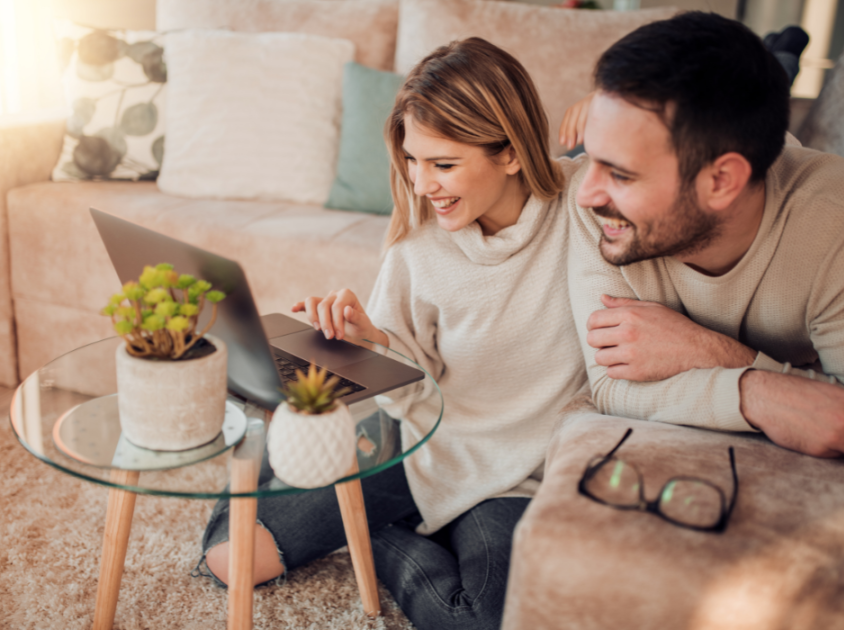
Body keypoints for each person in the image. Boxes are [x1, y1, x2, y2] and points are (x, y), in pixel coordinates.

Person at [195, 37, 588, 630]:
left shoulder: (586, 203)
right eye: (412, 160)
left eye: (444, 163)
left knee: (478, 621)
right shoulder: (418, 245)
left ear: (510, 152)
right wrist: (374, 344)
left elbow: (685, 137)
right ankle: (318, 486)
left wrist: (611, 107)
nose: (422, 183)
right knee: (229, 557)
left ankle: (369, 533)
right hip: (420, 448)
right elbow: (410, 394)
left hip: (518, 476)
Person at [563, 11, 844, 464]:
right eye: (592, 157)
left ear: (721, 181)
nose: (585, 194)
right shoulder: (598, 208)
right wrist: (755, 393)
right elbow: (608, 386)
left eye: (621, 174)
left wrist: (708, 352)